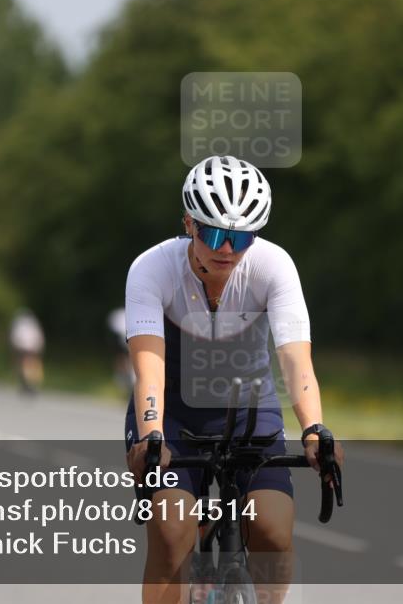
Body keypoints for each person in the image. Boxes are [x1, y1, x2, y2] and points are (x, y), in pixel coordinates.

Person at [123, 155, 345, 604]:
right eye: (214, 233)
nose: (226, 249)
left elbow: (296, 363)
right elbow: (149, 367)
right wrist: (150, 435)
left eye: (241, 237)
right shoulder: (152, 268)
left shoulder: (273, 266)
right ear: (188, 223)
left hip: (249, 408)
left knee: (273, 531)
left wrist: (314, 429)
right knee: (171, 534)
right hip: (172, 411)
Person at [9, 308, 44, 394]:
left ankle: (27, 384)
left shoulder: (20, 324)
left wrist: (15, 346)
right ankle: (29, 384)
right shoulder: (33, 324)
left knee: (23, 366)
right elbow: (39, 337)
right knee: (32, 367)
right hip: (32, 348)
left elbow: (16, 337)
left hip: (23, 348)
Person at [107, 307, 135, 394]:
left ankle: (129, 383)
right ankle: (123, 382)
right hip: (123, 344)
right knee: (123, 361)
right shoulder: (120, 314)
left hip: (130, 344)